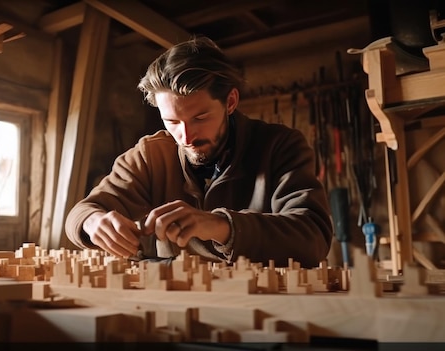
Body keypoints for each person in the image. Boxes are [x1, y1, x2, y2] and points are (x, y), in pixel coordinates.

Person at [64, 36, 332, 268]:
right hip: (178, 311)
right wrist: (92, 221)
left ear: (230, 102)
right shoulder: (151, 155)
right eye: (172, 122)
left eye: (200, 117)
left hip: (261, 307)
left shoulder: (281, 146)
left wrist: (220, 226)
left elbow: (313, 238)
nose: (186, 137)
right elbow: (83, 211)